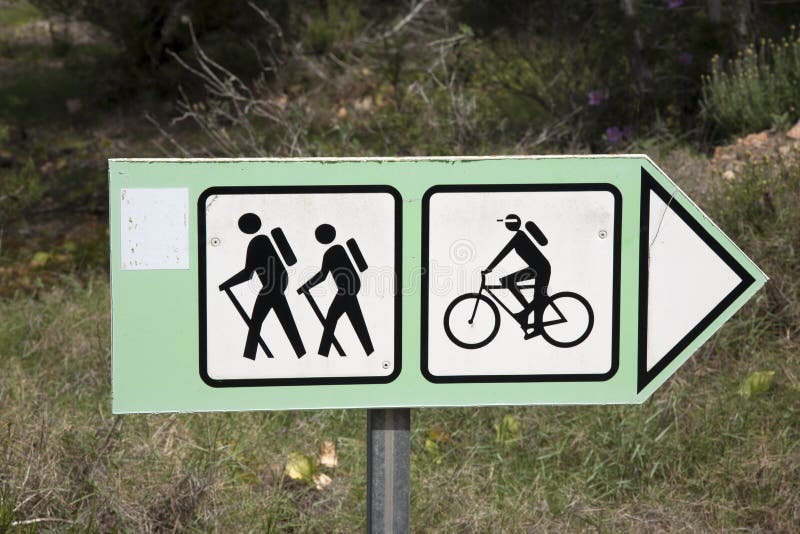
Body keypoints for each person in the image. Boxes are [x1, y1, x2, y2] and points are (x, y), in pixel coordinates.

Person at [219, 213, 305, 359]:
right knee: (284, 320)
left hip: (270, 286)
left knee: (256, 322)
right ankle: (300, 353)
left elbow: (248, 274)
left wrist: (226, 284)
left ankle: (249, 356)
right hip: (280, 283)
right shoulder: (266, 239)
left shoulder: (256, 243)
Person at [298, 223, 374, 357]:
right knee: (355, 318)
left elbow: (322, 275)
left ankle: (323, 353)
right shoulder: (338, 249)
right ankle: (369, 351)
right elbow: (323, 275)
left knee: (332, 317)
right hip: (351, 287)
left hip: (347, 288)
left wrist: (306, 286)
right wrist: (306, 286)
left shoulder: (332, 252)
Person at [482, 214, 550, 339]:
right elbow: (504, 252)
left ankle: (526, 315)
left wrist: (489, 269)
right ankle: (529, 317)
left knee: (538, 297)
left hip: (542, 269)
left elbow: (503, 253)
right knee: (509, 282)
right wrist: (489, 269)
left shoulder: (519, 236)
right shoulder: (519, 235)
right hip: (536, 269)